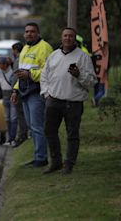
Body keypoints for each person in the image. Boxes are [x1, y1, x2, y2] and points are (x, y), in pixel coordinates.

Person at [40, 27, 97, 174]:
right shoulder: (53, 55)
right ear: (61, 38)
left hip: (73, 102)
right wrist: (46, 93)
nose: (67, 38)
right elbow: (44, 76)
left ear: (74, 38)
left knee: (72, 134)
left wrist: (79, 75)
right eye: (65, 35)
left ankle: (69, 164)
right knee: (49, 131)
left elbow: (91, 82)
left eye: (71, 36)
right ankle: (56, 162)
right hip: (53, 100)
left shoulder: (83, 57)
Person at [10, 22, 53, 167]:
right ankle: (37, 156)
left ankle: (41, 158)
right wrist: (15, 90)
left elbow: (49, 72)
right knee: (31, 127)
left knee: (37, 126)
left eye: (32, 31)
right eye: (27, 31)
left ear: (38, 33)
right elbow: (20, 74)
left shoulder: (45, 47)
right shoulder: (25, 49)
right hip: (24, 92)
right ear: (24, 34)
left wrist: (30, 74)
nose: (29, 34)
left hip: (37, 91)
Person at [0, 57, 17, 146]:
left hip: (13, 95)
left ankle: (13, 138)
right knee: (7, 118)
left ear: (5, 64)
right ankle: (9, 138)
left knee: (13, 117)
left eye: (0, 65)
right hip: (4, 96)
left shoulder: (12, 70)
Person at [11, 42, 28, 146]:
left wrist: (14, 91)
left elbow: (16, 77)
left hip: (18, 91)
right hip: (22, 90)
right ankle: (24, 134)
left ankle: (22, 135)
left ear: (16, 50)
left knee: (20, 114)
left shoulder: (18, 60)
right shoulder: (23, 59)